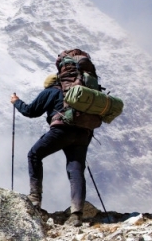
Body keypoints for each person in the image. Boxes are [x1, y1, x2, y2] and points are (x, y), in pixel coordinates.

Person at [10, 74, 93, 227]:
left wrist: (16, 102)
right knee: (76, 169)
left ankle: (35, 199)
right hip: (84, 133)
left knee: (34, 154)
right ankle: (76, 214)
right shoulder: (80, 93)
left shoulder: (50, 91)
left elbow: (31, 111)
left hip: (61, 130)